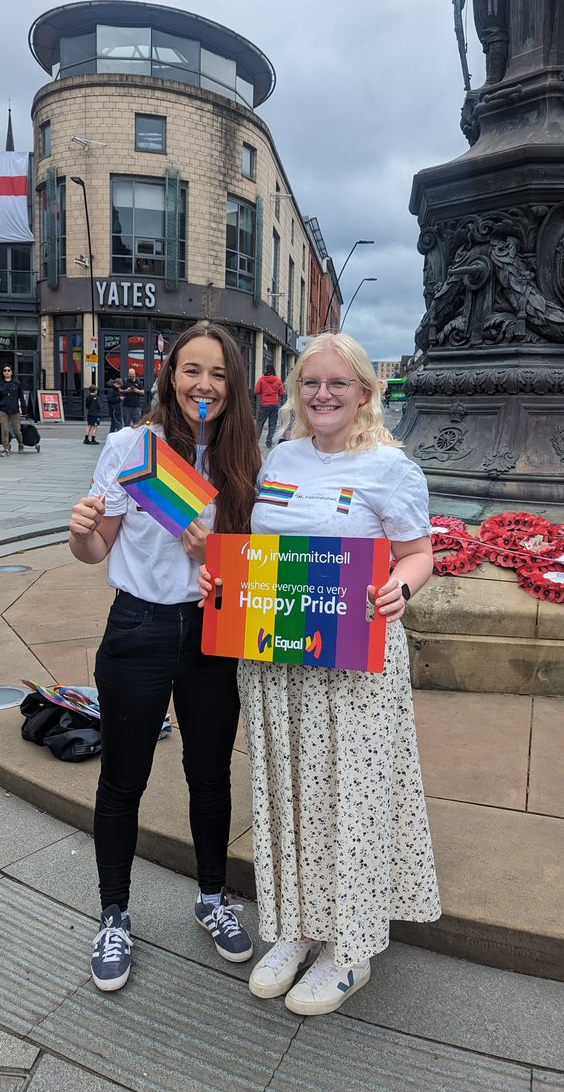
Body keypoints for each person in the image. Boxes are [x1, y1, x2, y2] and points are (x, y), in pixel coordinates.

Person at [200, 333, 440, 1016]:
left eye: (338, 383)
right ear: (295, 391)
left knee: (351, 795)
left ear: (365, 390)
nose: (323, 395)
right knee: (287, 790)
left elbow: (417, 553)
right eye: (311, 383)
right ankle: (297, 928)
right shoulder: (281, 456)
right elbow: (262, 552)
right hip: (279, 658)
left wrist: (401, 585)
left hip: (356, 660)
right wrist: (223, 579)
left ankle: (349, 948)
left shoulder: (389, 467)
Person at [68, 321, 261, 993]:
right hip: (138, 629)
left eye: (216, 374)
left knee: (210, 775)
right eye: (191, 371)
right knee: (123, 779)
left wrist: (214, 556)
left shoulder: (244, 458)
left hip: (213, 634)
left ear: (233, 386)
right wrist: (81, 536)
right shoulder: (132, 447)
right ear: (170, 376)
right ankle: (114, 914)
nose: (203, 385)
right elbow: (98, 552)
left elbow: (253, 569)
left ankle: (213, 898)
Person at [0, 364, 26, 456]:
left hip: (14, 409)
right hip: (3, 409)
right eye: (5, 370)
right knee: (4, 430)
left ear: (12, 372)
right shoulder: (0, 384)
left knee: (16, 430)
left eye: (8, 370)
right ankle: (6, 448)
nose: (7, 372)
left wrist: (24, 409)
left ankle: (20, 444)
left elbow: (21, 397)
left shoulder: (17, 383)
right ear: (3, 373)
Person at [254, 364, 285, 447]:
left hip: (264, 405)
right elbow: (282, 392)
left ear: (266, 370)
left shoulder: (261, 379)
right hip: (275, 405)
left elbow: (256, 391)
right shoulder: (278, 380)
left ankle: (255, 441)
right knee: (272, 424)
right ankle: (269, 441)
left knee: (259, 423)